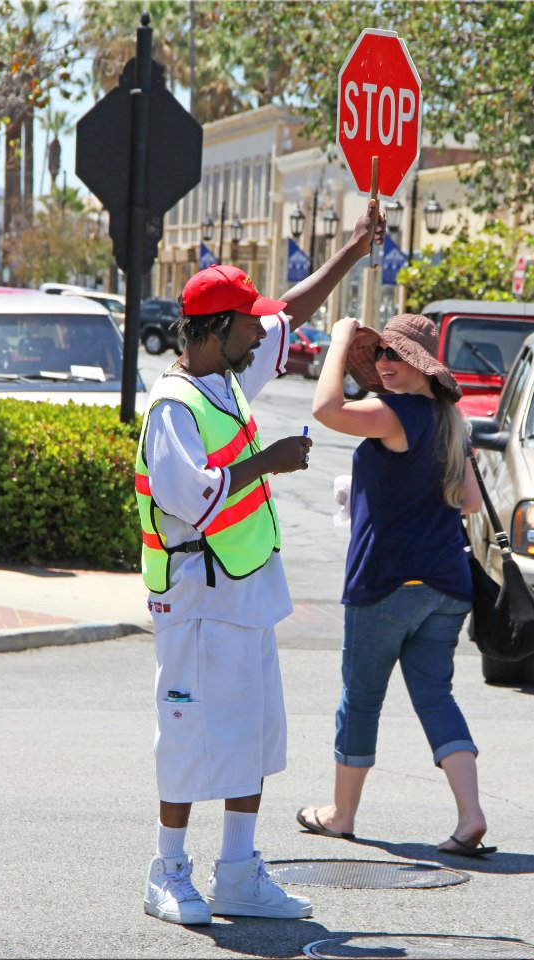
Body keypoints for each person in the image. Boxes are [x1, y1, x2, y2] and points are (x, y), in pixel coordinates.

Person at [136, 202, 385, 926]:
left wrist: (352, 252)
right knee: (187, 733)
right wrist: (268, 462)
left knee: (251, 734)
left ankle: (239, 873)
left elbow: (292, 308)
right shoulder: (173, 405)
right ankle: (169, 870)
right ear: (216, 330)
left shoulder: (228, 377)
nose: (263, 327)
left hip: (244, 594)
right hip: (193, 596)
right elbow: (194, 499)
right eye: (247, 322)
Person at [297, 313, 498, 858]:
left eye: (396, 357)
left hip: (387, 581)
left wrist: (340, 340)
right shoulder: (449, 419)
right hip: (447, 584)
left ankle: (341, 816)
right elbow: (473, 503)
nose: (384, 365)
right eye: (379, 355)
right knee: (435, 696)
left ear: (422, 369)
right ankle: (470, 815)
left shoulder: (395, 412)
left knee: (360, 700)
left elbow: (325, 410)